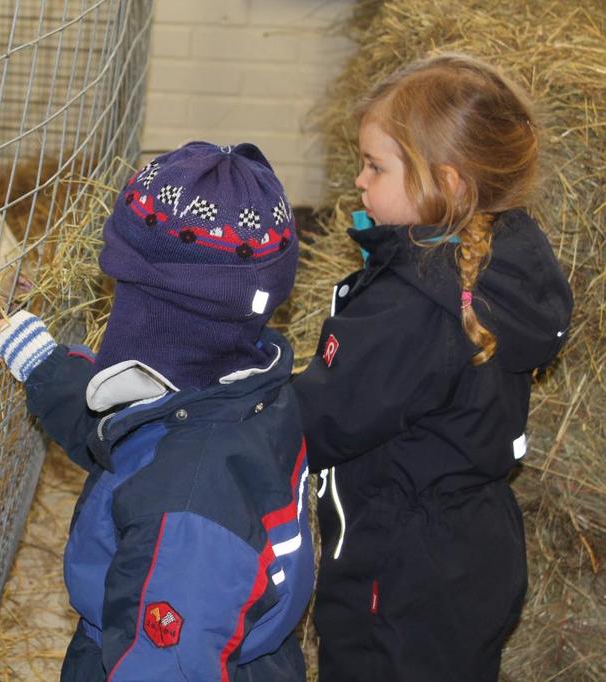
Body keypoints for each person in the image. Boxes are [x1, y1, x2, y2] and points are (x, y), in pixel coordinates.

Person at [0, 142, 313, 681]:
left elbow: (165, 667)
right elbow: (127, 436)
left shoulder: (185, 511)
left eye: (123, 292)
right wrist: (42, 364)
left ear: (154, 309)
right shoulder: (243, 389)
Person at [292, 52, 574, 682]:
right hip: (470, 553)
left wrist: (238, 403)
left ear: (447, 184)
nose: (359, 182)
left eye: (375, 166)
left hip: (398, 569)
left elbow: (321, 420)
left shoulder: (412, 307)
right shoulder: (504, 264)